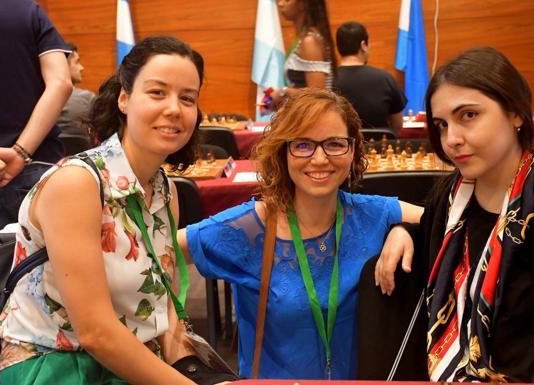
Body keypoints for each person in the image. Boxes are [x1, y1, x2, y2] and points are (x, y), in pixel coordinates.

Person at [0, 36, 236, 385]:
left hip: (130, 357)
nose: (174, 108)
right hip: (62, 367)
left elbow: (162, 302)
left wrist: (194, 371)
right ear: (124, 98)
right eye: (157, 93)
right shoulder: (76, 184)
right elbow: (96, 333)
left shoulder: (164, 189)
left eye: (187, 98)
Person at [363, 46, 534, 383]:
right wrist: (404, 231)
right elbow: (433, 235)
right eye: (441, 125)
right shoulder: (452, 194)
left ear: (516, 112)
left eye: (468, 116)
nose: (451, 139)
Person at [178, 88, 423, 379]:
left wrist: (406, 231)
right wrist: (176, 344)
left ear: (353, 149)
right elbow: (156, 254)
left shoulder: (374, 214)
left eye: (334, 144)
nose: (320, 159)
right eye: (303, 145)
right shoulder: (249, 228)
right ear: (283, 151)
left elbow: (449, 220)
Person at [0, 0, 73, 244]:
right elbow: (61, 82)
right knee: (54, 274)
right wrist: (20, 152)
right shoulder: (27, 11)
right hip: (38, 170)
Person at [335, 21, 406, 136]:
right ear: (363, 45)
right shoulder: (385, 78)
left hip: (342, 150)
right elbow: (397, 126)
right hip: (382, 150)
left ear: (338, 47)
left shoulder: (327, 81)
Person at [269, 0, 337, 109]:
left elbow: (319, 96)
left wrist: (284, 92)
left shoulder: (310, 41)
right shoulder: (303, 39)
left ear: (303, 4)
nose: (280, 3)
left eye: (287, 0)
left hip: (316, 121)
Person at [57, 42, 96, 140]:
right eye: (77, 62)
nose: (81, 68)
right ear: (64, 65)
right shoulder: (87, 98)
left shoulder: (35, 99)